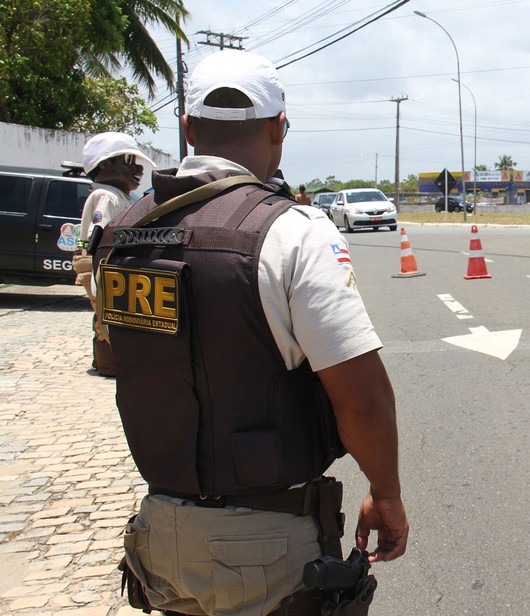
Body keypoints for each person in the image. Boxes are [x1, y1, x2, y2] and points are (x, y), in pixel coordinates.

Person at [93, 49, 408, 615]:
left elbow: (126, 362)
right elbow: (361, 399)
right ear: (279, 129)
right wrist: (386, 491)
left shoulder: (119, 233)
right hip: (268, 550)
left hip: (160, 535)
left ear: (188, 130)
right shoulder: (292, 231)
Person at [72, 132, 155, 377]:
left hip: (106, 263)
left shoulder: (119, 195)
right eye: (128, 161)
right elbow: (103, 237)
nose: (137, 168)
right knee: (106, 314)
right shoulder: (107, 196)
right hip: (104, 263)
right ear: (106, 165)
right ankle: (109, 362)